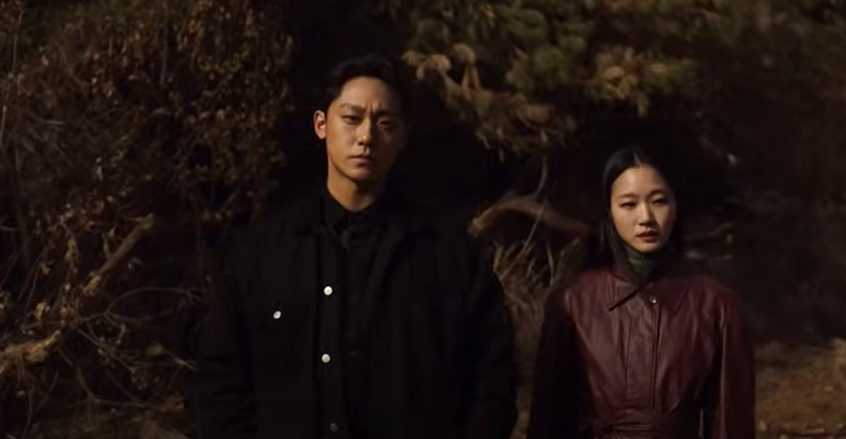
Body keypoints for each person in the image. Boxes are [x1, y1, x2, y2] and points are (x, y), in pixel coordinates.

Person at [197, 53, 518, 439]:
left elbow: (492, 379)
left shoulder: (449, 255)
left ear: (403, 137)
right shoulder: (263, 254)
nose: (366, 137)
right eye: (351, 118)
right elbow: (221, 382)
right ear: (321, 125)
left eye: (385, 123)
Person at [526, 146, 755, 439]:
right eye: (629, 204)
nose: (646, 216)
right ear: (610, 212)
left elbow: (731, 425)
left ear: (675, 208)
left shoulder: (715, 305)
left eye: (658, 201)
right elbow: (548, 422)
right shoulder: (573, 300)